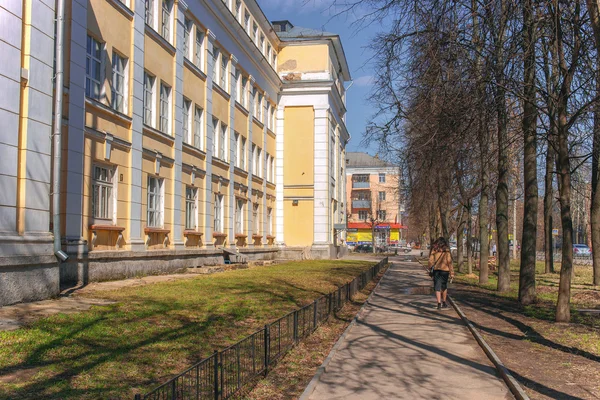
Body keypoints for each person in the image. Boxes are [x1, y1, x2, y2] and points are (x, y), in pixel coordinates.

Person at [428, 237, 455, 310]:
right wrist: (452, 273)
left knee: (437, 287)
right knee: (444, 286)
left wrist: (430, 268)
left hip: (436, 271)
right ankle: (444, 302)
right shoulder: (447, 251)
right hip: (445, 271)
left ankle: (439, 303)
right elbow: (450, 263)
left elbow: (430, 261)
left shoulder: (434, 250)